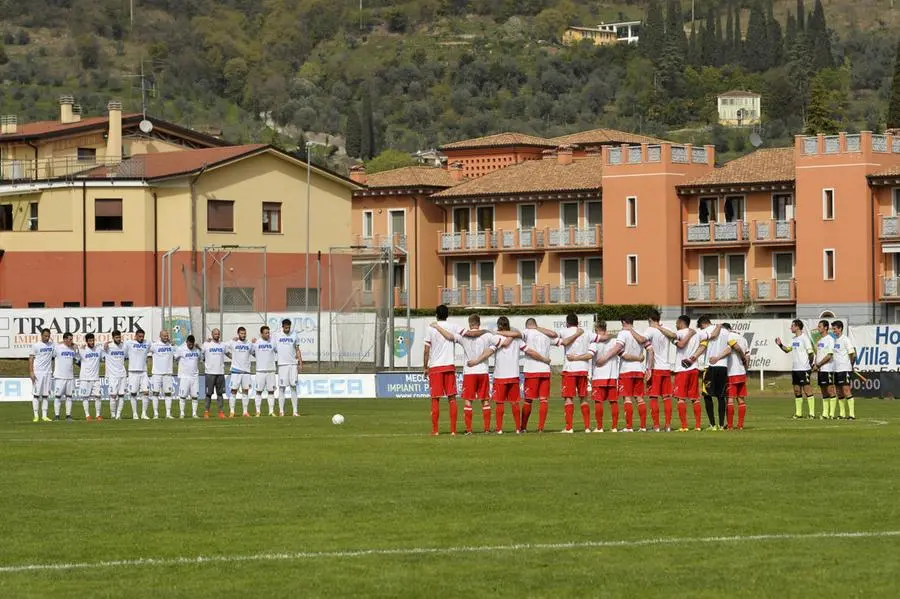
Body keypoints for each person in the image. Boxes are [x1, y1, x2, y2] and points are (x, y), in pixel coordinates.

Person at [431, 314, 495, 434]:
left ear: (469, 324)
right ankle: (486, 429)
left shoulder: (464, 336)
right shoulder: (487, 335)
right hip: (483, 371)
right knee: (485, 400)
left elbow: (449, 336)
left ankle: (469, 430)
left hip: (470, 372)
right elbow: (495, 345)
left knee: (468, 401)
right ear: (479, 323)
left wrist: (437, 327)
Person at [497, 318, 557, 433]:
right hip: (545, 370)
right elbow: (555, 335)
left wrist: (497, 332)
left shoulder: (526, 333)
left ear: (527, 325)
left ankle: (523, 427)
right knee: (544, 400)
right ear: (535, 324)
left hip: (531, 369)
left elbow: (516, 334)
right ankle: (540, 428)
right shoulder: (545, 335)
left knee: (528, 400)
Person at [465, 317, 524, 434]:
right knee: (515, 402)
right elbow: (527, 348)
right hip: (514, 374)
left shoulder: (496, 338)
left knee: (499, 402)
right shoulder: (517, 339)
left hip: (500, 375)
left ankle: (499, 429)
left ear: (498, 326)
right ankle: (518, 428)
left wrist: (476, 361)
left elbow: (489, 351)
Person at [569, 321, 621, 432]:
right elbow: (621, 353)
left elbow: (589, 355)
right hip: (612, 375)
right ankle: (615, 427)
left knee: (598, 402)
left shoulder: (595, 342)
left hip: (599, 375)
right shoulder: (614, 341)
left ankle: (599, 427)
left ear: (597, 330)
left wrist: (575, 358)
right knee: (613, 402)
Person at [671, 316, 718, 432]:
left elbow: (677, 342)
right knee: (695, 398)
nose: (676, 324)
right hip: (694, 369)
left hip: (682, 369)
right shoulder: (698, 333)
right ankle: (697, 426)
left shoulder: (680, 332)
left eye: (677, 322)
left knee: (681, 398)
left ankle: (684, 426)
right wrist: (719, 326)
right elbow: (713, 335)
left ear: (680, 322)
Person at [423, 305, 464, 435]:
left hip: (435, 367)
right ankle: (453, 431)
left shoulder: (431, 328)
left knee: (435, 398)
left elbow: (426, 350)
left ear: (436, 314)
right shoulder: (453, 326)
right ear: (447, 314)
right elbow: (466, 334)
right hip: (449, 365)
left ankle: (435, 431)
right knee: (452, 398)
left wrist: (425, 367)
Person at [614, 316, 653, 433]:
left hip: (626, 370)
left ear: (624, 322)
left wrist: (637, 358)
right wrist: (648, 368)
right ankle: (643, 426)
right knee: (639, 398)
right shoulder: (640, 333)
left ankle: (629, 427)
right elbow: (650, 350)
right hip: (639, 370)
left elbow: (623, 355)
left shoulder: (622, 334)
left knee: (627, 398)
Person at [709, 324, 749, 430]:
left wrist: (717, 358)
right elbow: (747, 356)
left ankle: (730, 425)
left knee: (730, 400)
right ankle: (740, 425)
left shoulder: (728, 336)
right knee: (741, 400)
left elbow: (730, 349)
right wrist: (746, 368)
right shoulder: (743, 338)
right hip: (741, 372)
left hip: (731, 372)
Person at [776, 319, 815, 419]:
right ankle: (799, 413)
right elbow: (787, 350)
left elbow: (811, 353)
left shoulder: (804, 338)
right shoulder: (793, 339)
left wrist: (809, 366)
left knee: (807, 390)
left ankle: (811, 413)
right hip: (795, 369)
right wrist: (780, 344)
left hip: (804, 368)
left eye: (792, 326)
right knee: (797, 390)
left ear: (797, 327)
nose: (791, 328)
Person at [557, 313, 589, 434]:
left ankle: (569, 428)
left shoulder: (564, 331)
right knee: (583, 398)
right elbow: (600, 338)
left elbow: (561, 341)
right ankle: (586, 427)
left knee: (568, 398)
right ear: (578, 322)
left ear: (567, 323)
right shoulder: (585, 332)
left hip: (570, 369)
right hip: (583, 369)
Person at [643, 310, 673, 432]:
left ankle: (656, 426)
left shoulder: (650, 330)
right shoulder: (665, 329)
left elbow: (641, 339)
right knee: (666, 397)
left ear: (650, 319)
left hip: (655, 368)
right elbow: (673, 335)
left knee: (653, 397)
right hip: (666, 368)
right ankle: (668, 426)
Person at [697, 316, 728, 430]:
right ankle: (721, 425)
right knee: (721, 396)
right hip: (723, 366)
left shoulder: (704, 332)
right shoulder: (725, 331)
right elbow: (729, 347)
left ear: (703, 324)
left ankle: (712, 424)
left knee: (707, 395)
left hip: (710, 366)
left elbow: (703, 346)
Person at [275, 319, 302, 417]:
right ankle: (281, 411)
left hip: (292, 365)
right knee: (282, 388)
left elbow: (297, 349)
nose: (287, 329)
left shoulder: (294, 335)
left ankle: (295, 411)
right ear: (282, 326)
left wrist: (300, 363)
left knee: (293, 387)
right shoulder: (277, 336)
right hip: (282, 365)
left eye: (289, 327)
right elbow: (272, 348)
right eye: (285, 327)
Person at [121, 328, 151, 420]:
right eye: (140, 336)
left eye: (143, 336)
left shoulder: (147, 343)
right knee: (133, 393)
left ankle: (144, 413)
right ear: (135, 336)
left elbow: (157, 346)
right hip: (133, 372)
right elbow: (123, 353)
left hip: (143, 372)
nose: (141, 338)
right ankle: (135, 414)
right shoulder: (129, 343)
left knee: (146, 392)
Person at [831, 320, 857, 420]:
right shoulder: (835, 340)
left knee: (846, 390)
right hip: (836, 370)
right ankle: (842, 414)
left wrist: (851, 365)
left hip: (844, 369)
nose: (833, 331)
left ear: (840, 329)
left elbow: (853, 354)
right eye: (833, 329)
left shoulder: (845, 339)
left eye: (835, 329)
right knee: (839, 392)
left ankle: (851, 414)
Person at [227, 327, 254, 418]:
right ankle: (232, 412)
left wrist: (256, 343)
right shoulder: (233, 342)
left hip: (246, 371)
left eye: (244, 333)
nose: (243, 335)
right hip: (235, 371)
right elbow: (223, 347)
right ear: (238, 334)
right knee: (233, 391)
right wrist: (231, 339)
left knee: (245, 391)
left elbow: (254, 353)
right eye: (242, 333)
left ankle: (245, 412)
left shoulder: (249, 343)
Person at [812, 320, 836, 420]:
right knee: (823, 391)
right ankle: (825, 413)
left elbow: (829, 355)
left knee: (830, 390)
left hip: (827, 369)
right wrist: (815, 364)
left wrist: (819, 364)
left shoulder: (830, 339)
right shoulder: (820, 341)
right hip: (820, 370)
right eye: (818, 326)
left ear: (826, 327)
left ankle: (832, 413)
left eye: (820, 326)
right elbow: (818, 354)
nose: (818, 328)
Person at [77, 333, 104, 421]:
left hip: (95, 378)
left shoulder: (98, 349)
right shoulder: (82, 350)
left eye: (93, 340)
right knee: (85, 397)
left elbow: (103, 357)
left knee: (98, 396)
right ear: (87, 341)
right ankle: (87, 415)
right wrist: (84, 368)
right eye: (90, 341)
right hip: (85, 378)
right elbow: (75, 360)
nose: (92, 342)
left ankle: (98, 415)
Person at [28, 328, 54, 422]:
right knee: (36, 395)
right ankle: (36, 415)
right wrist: (31, 372)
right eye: (45, 336)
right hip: (38, 373)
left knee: (45, 395)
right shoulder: (36, 346)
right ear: (41, 335)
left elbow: (63, 344)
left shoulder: (52, 345)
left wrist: (74, 344)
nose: (47, 338)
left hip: (48, 372)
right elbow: (31, 359)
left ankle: (44, 415)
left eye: (48, 336)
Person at [252, 326, 278, 417]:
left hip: (271, 370)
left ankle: (271, 411)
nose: (268, 334)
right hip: (260, 371)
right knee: (258, 391)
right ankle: (258, 411)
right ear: (261, 333)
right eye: (266, 333)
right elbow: (252, 352)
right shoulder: (256, 343)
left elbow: (278, 351)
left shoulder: (273, 342)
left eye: (268, 332)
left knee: (271, 391)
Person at [150, 330, 176, 419]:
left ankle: (168, 414)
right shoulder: (154, 345)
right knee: (155, 393)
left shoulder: (171, 345)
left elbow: (178, 353)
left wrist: (173, 344)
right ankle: (156, 414)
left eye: (167, 335)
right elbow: (145, 350)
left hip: (168, 373)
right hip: (156, 373)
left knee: (168, 393)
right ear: (160, 336)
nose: (166, 337)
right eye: (164, 336)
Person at [52, 332, 78, 420]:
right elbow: (51, 353)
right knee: (58, 396)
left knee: (69, 396)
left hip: (70, 376)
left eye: (72, 339)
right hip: (60, 376)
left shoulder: (73, 349)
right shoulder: (58, 347)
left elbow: (77, 359)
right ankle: (57, 416)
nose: (71, 341)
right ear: (65, 339)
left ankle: (68, 415)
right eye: (70, 339)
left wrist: (75, 348)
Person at [203, 328, 227, 419]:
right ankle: (206, 412)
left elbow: (228, 353)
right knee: (208, 394)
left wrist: (235, 358)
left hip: (220, 372)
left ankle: (221, 412)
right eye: (215, 334)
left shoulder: (223, 345)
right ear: (212, 334)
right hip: (209, 373)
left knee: (220, 394)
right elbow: (201, 354)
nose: (217, 335)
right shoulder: (206, 344)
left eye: (218, 334)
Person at [175, 335, 202, 418]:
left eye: (192, 344)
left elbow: (201, 358)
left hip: (194, 376)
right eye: (189, 343)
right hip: (184, 376)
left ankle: (194, 413)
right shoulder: (180, 349)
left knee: (195, 396)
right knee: (183, 396)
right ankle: (182, 413)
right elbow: (175, 358)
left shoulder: (197, 350)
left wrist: (200, 348)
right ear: (186, 342)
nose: (191, 345)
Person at [105, 331, 129, 420]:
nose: (118, 339)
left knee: (122, 395)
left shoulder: (124, 346)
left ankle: (118, 415)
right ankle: (112, 415)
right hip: (112, 375)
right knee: (113, 395)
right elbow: (94, 347)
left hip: (122, 374)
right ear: (113, 338)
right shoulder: (108, 346)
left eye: (119, 337)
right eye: (116, 338)